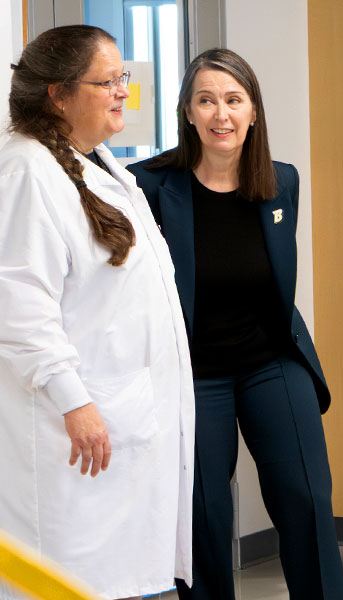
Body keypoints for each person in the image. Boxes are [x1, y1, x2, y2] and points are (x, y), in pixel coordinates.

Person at [128, 48, 343, 600]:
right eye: (206, 100)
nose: (220, 114)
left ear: (253, 111)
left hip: (272, 360)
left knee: (306, 497)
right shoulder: (148, 187)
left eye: (233, 100)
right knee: (203, 516)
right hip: (193, 374)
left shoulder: (281, 182)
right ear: (187, 111)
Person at [0, 25, 194, 600]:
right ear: (58, 94)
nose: (122, 94)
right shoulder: (27, 172)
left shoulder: (100, 164)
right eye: (107, 82)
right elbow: (19, 307)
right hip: (76, 425)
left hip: (116, 418)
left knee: (114, 578)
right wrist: (76, 401)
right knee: (72, 580)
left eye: (123, 79)